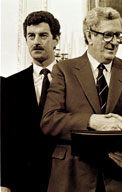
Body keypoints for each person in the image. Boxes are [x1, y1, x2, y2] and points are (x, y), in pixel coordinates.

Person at [40, 7, 122, 192]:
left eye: (119, 36)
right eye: (108, 35)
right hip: (73, 179)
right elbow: (49, 120)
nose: (114, 42)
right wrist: (92, 121)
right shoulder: (64, 70)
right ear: (89, 36)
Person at [1, 11, 61, 192]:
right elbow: (5, 139)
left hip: (65, 178)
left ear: (56, 39)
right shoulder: (9, 85)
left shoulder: (73, 80)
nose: (36, 41)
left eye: (43, 35)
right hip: (24, 181)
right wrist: (4, 183)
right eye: (31, 36)